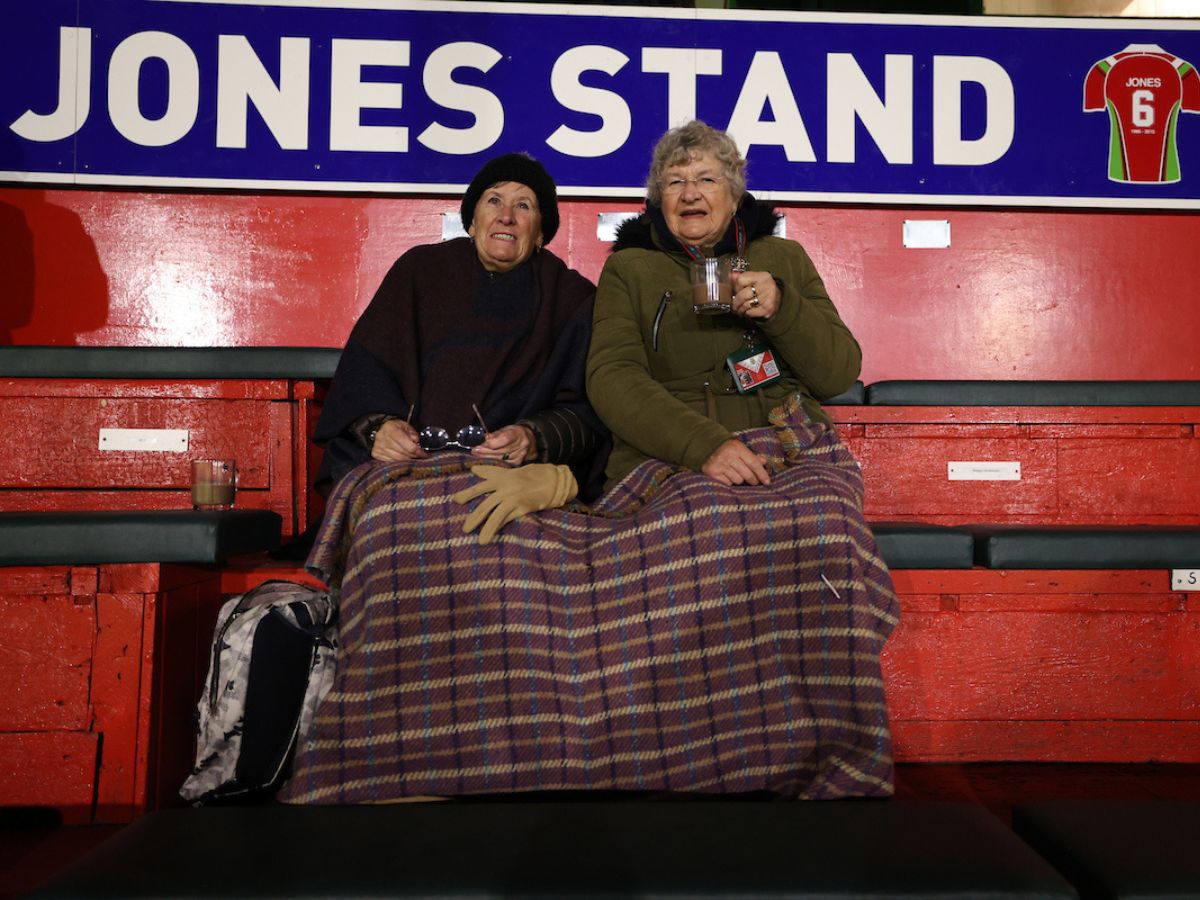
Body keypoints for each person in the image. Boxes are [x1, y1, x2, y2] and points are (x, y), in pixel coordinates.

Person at [313, 151, 606, 502]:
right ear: (472, 221)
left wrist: (533, 438)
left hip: (512, 481)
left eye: (524, 206)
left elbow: (588, 416)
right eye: (494, 200)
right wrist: (379, 429)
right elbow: (362, 378)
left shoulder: (571, 299)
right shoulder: (419, 272)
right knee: (378, 513)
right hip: (408, 471)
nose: (507, 217)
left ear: (542, 232)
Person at [586, 119, 862, 489]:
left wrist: (782, 307)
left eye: (706, 180)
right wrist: (703, 446)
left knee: (831, 523)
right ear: (658, 200)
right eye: (675, 182)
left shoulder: (785, 258)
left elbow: (837, 373)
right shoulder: (629, 268)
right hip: (673, 455)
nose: (690, 194)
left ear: (734, 197)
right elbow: (613, 379)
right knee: (704, 520)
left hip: (785, 445)